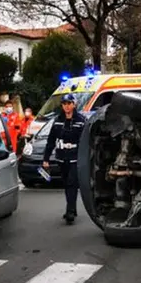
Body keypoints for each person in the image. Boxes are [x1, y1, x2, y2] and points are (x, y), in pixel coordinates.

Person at [42, 94, 86, 224]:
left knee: (72, 183)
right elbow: (50, 141)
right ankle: (72, 207)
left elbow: (85, 141)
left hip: (75, 157)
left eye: (69, 103)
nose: (66, 106)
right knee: (67, 184)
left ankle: (70, 211)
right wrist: (46, 159)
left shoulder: (81, 121)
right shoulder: (57, 121)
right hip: (61, 157)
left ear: (74, 104)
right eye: (64, 104)